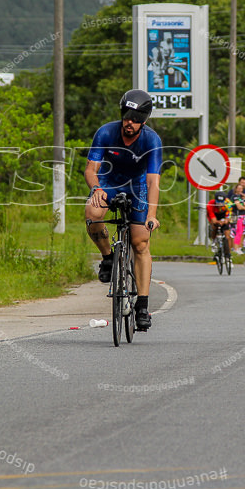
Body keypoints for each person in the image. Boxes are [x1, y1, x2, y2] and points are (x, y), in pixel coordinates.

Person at [84, 89, 161, 331]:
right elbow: (90, 169)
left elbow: (153, 182)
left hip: (137, 187)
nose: (130, 122)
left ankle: (143, 306)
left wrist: (151, 215)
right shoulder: (106, 132)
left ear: (145, 120)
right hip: (109, 182)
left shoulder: (151, 140)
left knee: (140, 243)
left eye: (136, 119)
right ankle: (108, 257)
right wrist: (96, 188)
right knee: (92, 213)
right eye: (127, 116)